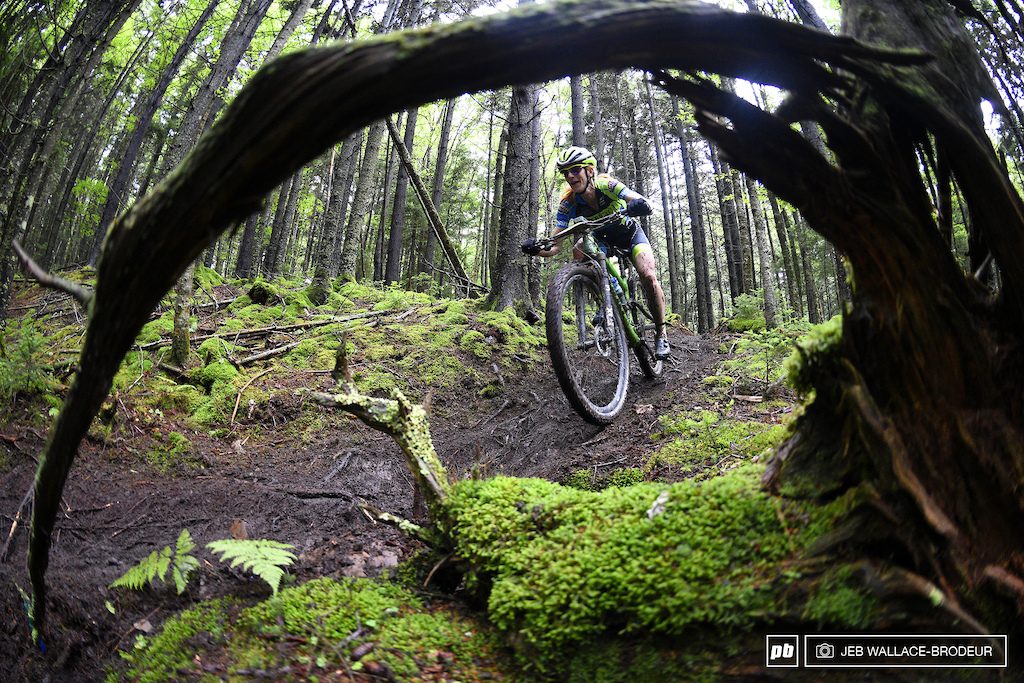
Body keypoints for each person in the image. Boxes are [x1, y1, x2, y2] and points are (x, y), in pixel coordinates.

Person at [522, 146, 670, 359]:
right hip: (602, 241)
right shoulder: (568, 204)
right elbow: (555, 246)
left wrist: (639, 204)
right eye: (565, 173)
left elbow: (636, 198)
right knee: (578, 249)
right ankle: (605, 300)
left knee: (647, 275)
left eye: (575, 170)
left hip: (629, 235)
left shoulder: (607, 185)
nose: (570, 176)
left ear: (590, 170)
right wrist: (536, 250)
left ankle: (661, 332)